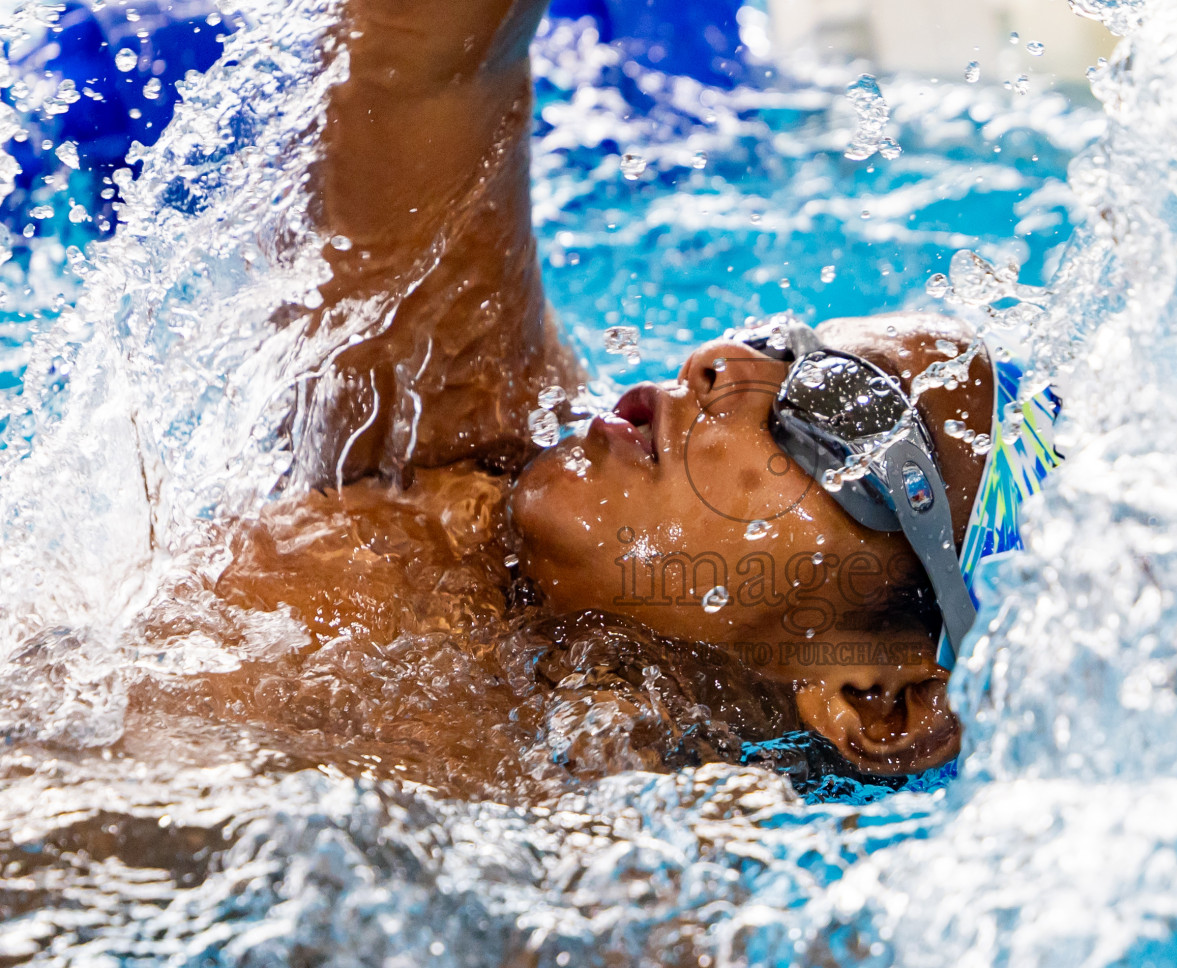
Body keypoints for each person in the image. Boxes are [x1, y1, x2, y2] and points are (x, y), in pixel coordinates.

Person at [214, 0, 1059, 781]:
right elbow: (419, 59)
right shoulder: (460, 425)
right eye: (782, 345)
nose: (716, 361)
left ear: (879, 700)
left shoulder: (636, 880)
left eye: (840, 410)